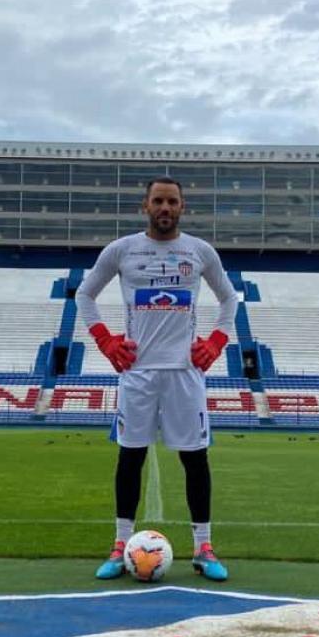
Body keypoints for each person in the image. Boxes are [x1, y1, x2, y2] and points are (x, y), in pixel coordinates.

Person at [75, 175, 238, 581]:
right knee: (130, 457)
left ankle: (203, 548)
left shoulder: (199, 251)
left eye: (172, 202)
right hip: (138, 372)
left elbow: (229, 297)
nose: (165, 208)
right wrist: (105, 341)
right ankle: (120, 546)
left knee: (194, 459)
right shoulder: (122, 250)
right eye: (159, 201)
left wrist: (216, 342)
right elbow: (84, 294)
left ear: (182, 207)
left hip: (185, 373)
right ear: (145, 206)